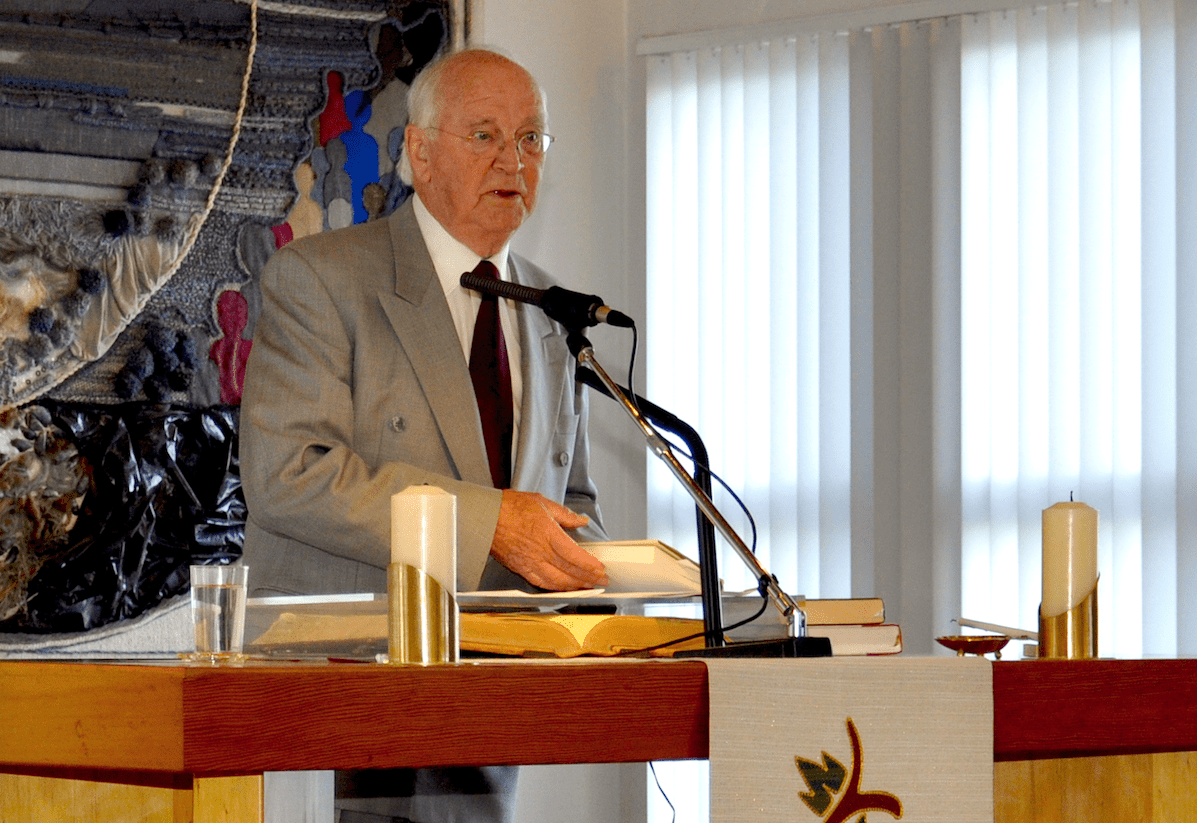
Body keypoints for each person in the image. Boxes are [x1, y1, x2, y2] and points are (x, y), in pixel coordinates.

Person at [239, 47, 610, 823]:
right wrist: (492, 523)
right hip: (339, 702)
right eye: (484, 135)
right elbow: (289, 474)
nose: (513, 160)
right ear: (419, 150)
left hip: (484, 718)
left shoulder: (552, 310)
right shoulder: (321, 277)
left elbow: (568, 499)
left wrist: (617, 578)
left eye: (531, 138)